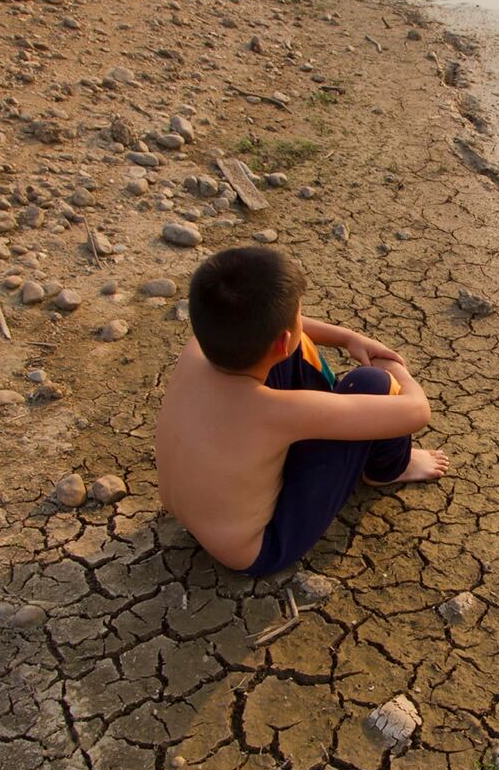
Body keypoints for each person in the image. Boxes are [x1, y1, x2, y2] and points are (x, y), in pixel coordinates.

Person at [155, 246, 450, 576]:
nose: (301, 321)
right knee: (372, 382)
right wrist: (396, 369)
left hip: (195, 516)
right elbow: (416, 411)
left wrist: (347, 338)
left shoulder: (198, 349)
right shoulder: (277, 413)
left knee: (293, 347)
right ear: (282, 339)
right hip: (261, 548)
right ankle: (388, 469)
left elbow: (283, 331)